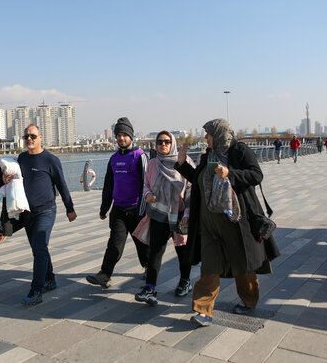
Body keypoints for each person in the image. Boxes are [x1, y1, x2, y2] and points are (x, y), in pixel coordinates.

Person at [175, 119, 280, 327]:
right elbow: (197, 178)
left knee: (243, 263)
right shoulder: (208, 156)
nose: (205, 138)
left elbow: (256, 175)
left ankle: (249, 300)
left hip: (235, 222)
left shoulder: (238, 150)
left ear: (219, 134)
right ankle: (203, 310)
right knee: (209, 267)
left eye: (208, 134)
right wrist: (181, 163)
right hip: (208, 224)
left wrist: (230, 174)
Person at [2, 124, 77, 305]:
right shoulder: (21, 158)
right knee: (39, 248)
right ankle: (50, 279)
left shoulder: (50, 159)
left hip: (46, 210)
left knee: (39, 248)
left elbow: (61, 184)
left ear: (41, 137)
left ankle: (36, 290)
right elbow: (13, 180)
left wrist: (70, 208)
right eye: (27, 136)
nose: (30, 139)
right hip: (28, 212)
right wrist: (5, 179)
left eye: (33, 136)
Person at [86, 117, 150, 289]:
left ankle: (149, 267)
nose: (121, 138)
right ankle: (104, 275)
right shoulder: (114, 158)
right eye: (118, 135)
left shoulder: (140, 156)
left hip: (137, 209)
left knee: (142, 244)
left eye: (124, 135)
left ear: (131, 136)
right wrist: (104, 208)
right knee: (115, 243)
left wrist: (143, 211)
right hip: (119, 209)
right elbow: (108, 185)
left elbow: (146, 184)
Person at [135, 131, 194, 306]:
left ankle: (185, 281)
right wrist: (148, 195)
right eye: (160, 142)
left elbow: (192, 188)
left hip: (180, 215)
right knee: (155, 251)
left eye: (167, 141)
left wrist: (189, 213)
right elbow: (145, 184)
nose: (163, 145)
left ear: (172, 143)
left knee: (182, 251)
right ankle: (150, 288)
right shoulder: (152, 164)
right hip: (158, 213)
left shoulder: (184, 162)